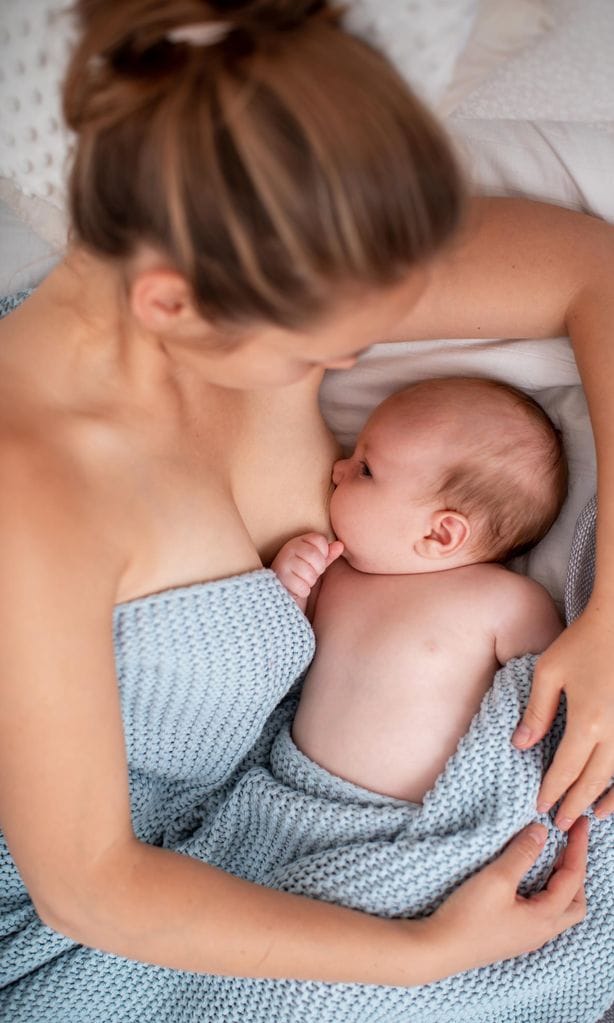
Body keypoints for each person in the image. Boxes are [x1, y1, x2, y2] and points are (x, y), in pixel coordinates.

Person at [0, 1, 611, 1019]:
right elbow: (91, 887)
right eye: (316, 352)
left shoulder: (283, 249)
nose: (342, 370)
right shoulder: (36, 492)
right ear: (170, 303)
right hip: (103, 905)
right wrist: (420, 954)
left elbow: (593, 271)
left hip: (296, 818)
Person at [273, 376, 567, 802]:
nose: (338, 469)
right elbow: (282, 648)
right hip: (290, 793)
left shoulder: (505, 601)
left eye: (366, 469)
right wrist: (292, 585)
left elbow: (561, 695)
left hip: (413, 823)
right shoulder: (336, 576)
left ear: (441, 534)